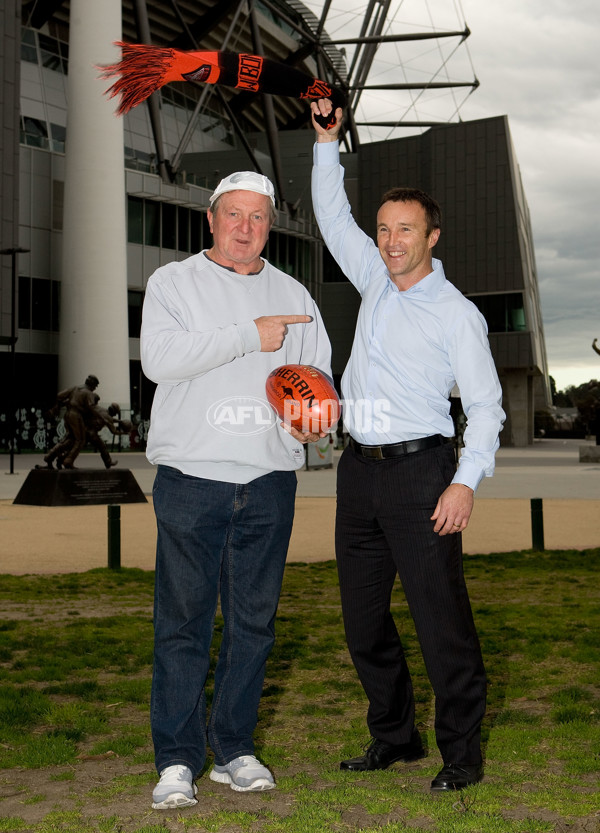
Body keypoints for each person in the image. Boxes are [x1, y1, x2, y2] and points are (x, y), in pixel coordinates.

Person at [310, 99, 505, 792]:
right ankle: (395, 736)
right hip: (359, 474)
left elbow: (486, 408)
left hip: (424, 475)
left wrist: (465, 481)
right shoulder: (375, 283)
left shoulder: (458, 315)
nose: (391, 241)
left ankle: (462, 752)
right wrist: (327, 145)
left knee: (440, 623)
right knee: (363, 624)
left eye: (405, 230)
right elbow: (332, 219)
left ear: (432, 236)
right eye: (385, 229)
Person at [141, 171, 332, 809]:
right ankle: (175, 759)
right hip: (192, 478)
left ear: (269, 225)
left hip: (268, 480)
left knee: (253, 624)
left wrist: (314, 412)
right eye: (234, 215)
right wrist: (251, 335)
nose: (245, 227)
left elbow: (318, 378)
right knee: (183, 624)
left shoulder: (295, 292)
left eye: (258, 217)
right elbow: (159, 361)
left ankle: (235, 748)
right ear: (212, 219)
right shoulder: (174, 282)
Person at [43, 374, 110, 469]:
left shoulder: (75, 388)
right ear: (92, 384)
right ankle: (68, 461)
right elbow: (92, 408)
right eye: (95, 386)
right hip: (76, 416)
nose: (95, 388)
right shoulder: (89, 393)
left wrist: (59, 407)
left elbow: (59, 395)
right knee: (80, 440)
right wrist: (102, 418)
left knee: (67, 439)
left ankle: (49, 457)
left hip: (68, 414)